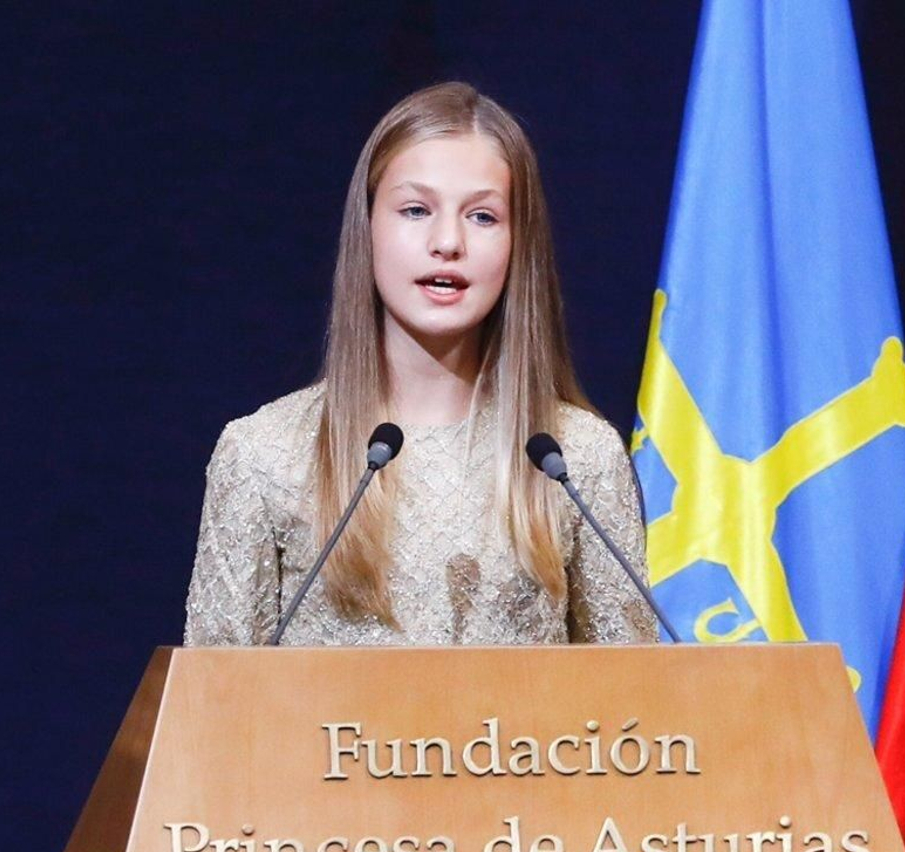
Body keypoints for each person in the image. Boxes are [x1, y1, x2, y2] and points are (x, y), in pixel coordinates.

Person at [184, 82, 657, 647]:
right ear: (368, 228)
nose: (448, 241)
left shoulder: (576, 458)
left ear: (517, 245)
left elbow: (633, 714)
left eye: (482, 216)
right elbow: (211, 710)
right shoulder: (265, 455)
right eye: (416, 210)